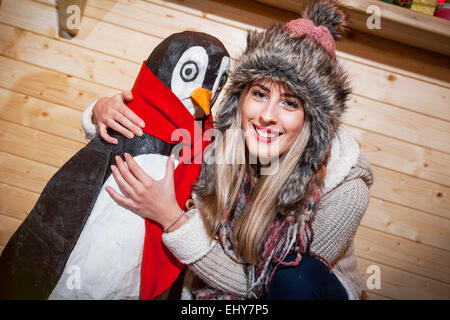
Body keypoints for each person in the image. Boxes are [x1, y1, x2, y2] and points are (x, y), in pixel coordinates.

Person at [82, 0, 373, 300]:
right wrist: (101, 112)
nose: (267, 115)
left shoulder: (345, 186)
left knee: (293, 279)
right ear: (241, 98)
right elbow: (159, 140)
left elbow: (260, 288)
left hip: (302, 293)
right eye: (260, 94)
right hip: (214, 289)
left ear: (314, 120)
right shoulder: (223, 141)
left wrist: (172, 219)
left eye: (290, 102)